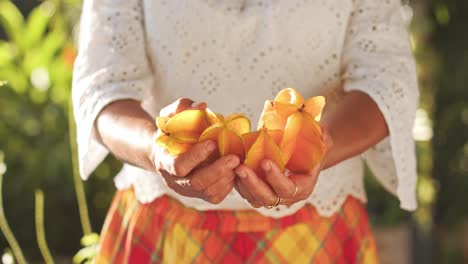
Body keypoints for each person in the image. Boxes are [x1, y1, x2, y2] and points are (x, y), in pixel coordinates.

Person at [72, 0, 419, 263]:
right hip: (163, 226)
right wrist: (154, 150)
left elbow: (385, 80)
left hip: (318, 229)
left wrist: (318, 150)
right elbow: (104, 88)